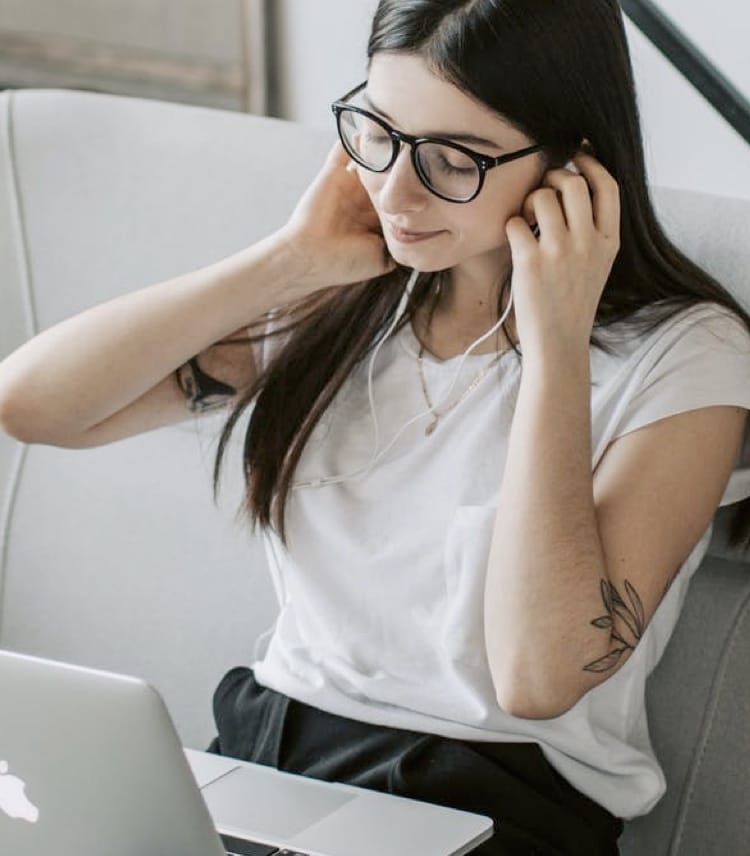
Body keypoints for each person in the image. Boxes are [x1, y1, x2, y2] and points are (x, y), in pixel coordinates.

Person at [1, 1, 750, 853]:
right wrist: (289, 257)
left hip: (494, 805)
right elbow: (31, 406)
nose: (396, 190)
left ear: (571, 166)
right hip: (266, 761)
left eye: (452, 158)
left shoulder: (686, 356)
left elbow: (538, 678)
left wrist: (554, 344)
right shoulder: (345, 299)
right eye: (379, 132)